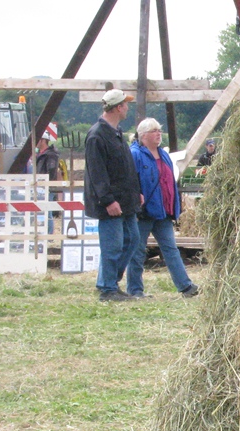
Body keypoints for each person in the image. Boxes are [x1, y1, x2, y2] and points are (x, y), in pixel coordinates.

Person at [128, 118, 200, 298]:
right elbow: (130, 181)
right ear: (143, 135)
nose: (158, 134)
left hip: (163, 212)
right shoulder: (135, 154)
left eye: (159, 130)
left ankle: (186, 287)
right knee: (137, 251)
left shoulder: (164, 155)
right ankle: (135, 290)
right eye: (154, 131)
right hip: (143, 212)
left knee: (171, 249)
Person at [84, 89, 141, 302]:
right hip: (111, 202)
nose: (127, 108)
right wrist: (108, 200)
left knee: (132, 239)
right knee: (113, 246)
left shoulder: (116, 133)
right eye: (125, 104)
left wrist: (136, 193)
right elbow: (97, 173)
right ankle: (108, 289)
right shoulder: (97, 135)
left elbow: (126, 168)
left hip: (126, 200)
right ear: (118, 107)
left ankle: (109, 282)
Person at [33, 131, 62, 234]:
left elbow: (51, 171)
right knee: (42, 210)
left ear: (43, 140)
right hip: (40, 186)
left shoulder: (50, 155)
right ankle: (43, 233)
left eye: (37, 140)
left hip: (47, 187)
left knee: (47, 211)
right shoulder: (41, 154)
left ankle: (49, 235)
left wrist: (46, 185)